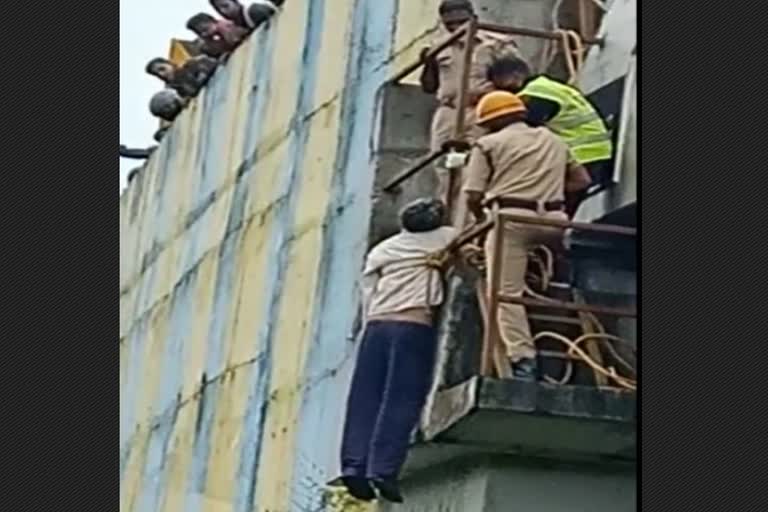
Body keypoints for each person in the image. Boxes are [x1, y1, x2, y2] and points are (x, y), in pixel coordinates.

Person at [463, 91, 592, 379]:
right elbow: (582, 180)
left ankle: (523, 358)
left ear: (490, 122)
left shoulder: (487, 144)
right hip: (556, 219)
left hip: (510, 219)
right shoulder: (555, 141)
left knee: (505, 293)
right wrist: (548, 192)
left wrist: (481, 220)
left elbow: (472, 193)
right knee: (563, 281)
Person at [340, 198, 459, 504]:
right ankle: (383, 470)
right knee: (401, 398)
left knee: (365, 398)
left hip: (377, 325)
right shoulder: (446, 237)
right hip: (412, 325)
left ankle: (354, 466)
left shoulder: (383, 250)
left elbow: (367, 290)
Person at [420, 0, 523, 224]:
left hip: (482, 108)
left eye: (461, 22)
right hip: (448, 111)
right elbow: (429, 87)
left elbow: (517, 79)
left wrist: (494, 94)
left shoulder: (496, 43)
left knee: (476, 163)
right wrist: (428, 63)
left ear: (472, 18)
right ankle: (450, 221)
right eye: (450, 24)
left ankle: (473, 221)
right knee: (444, 167)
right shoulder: (439, 46)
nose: (456, 28)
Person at [487, 56, 613, 217]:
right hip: (597, 151)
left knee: (550, 199)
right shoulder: (551, 85)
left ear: (515, 76)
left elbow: (523, 132)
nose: (500, 90)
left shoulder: (533, 94)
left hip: (581, 154)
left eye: (499, 83)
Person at [145, 56, 218, 98]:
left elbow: (212, 64)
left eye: (162, 69)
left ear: (170, 64)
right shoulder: (175, 93)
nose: (162, 75)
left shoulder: (191, 65)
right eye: (157, 75)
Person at [210, 0, 283, 31]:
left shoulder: (254, 11)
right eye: (219, 10)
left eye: (226, 6)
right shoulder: (236, 27)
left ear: (236, 2)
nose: (223, 12)